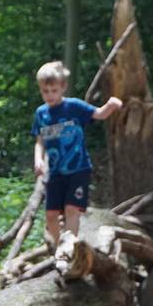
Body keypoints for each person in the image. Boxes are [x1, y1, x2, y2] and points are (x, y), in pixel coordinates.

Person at [31, 60, 122, 244]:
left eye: (54, 91)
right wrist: (38, 159)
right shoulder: (41, 113)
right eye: (45, 91)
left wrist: (111, 104)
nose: (49, 95)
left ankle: (69, 248)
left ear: (63, 87)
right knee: (51, 214)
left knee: (72, 209)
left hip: (78, 169)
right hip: (55, 172)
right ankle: (58, 248)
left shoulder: (73, 106)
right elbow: (39, 141)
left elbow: (99, 114)